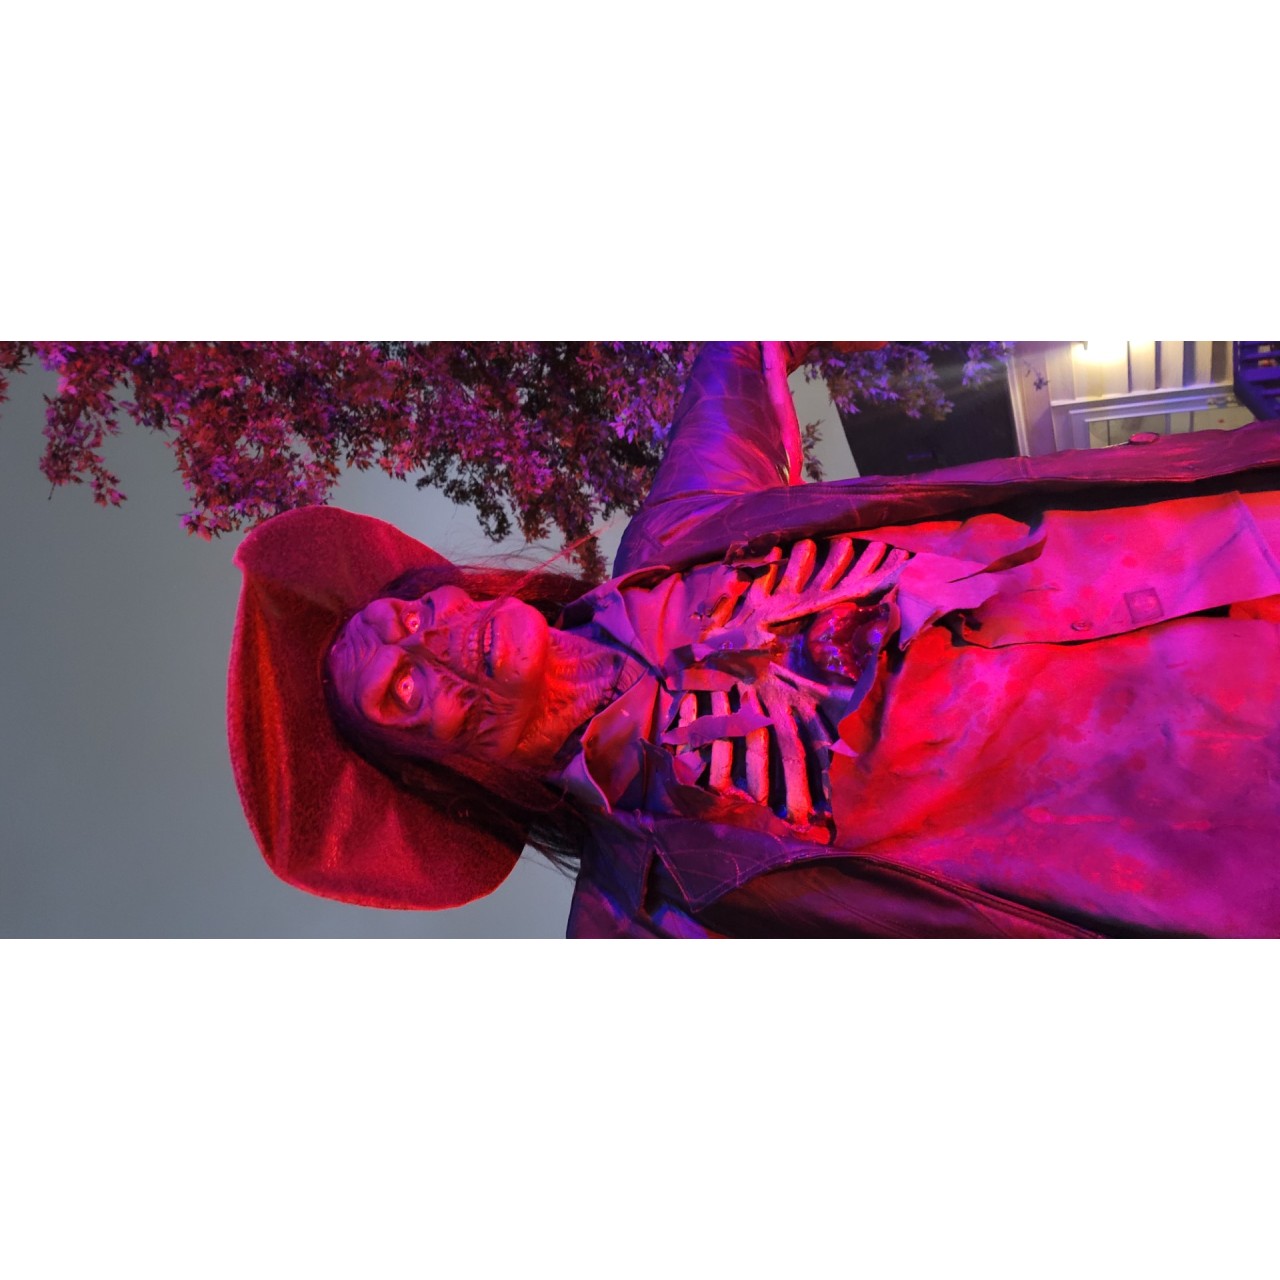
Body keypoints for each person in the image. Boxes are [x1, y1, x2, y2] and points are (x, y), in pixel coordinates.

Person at [228, 342, 1280, 937]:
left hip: (1216, 553)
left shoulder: (673, 543)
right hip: (1206, 824)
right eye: (404, 694)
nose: (434, 650)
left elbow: (733, 357)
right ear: (438, 778)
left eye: (412, 618)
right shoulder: (642, 913)